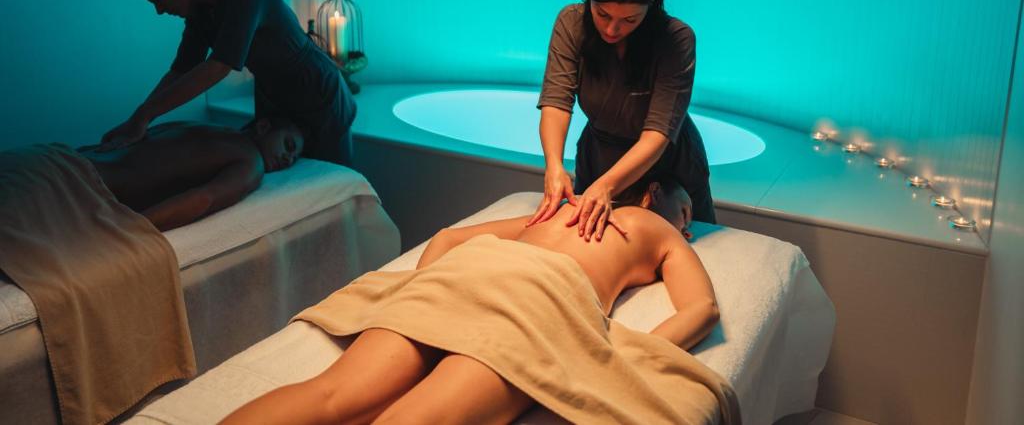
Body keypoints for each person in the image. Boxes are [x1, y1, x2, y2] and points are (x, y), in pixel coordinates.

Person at [220, 176, 738, 425]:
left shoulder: (562, 210)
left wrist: (419, 293)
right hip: (536, 299)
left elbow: (447, 238)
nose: (689, 228)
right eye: (686, 213)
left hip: (466, 273)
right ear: (653, 194)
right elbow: (702, 309)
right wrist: (620, 355)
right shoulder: (653, 227)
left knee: (330, 397)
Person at [100, 0, 356, 165]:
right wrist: (137, 119)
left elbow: (219, 66)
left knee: (336, 184)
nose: (159, 9)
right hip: (277, 102)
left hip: (317, 95)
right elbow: (180, 71)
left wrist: (144, 115)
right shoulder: (200, 14)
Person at [528, 0, 714, 243]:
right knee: (589, 241)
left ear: (650, 7)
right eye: (602, 14)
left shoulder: (676, 39)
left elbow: (657, 133)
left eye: (630, 20)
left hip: (665, 167)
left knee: (676, 248)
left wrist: (607, 187)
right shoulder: (571, 23)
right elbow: (557, 101)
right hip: (599, 157)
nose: (612, 30)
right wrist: (554, 166)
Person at [80, 118, 304, 231]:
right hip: (86, 188)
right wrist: (128, 230)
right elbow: (203, 199)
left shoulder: (198, 125)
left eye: (293, 159)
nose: (288, 159)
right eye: (289, 145)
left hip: (74, 159)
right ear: (263, 126)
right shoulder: (252, 160)